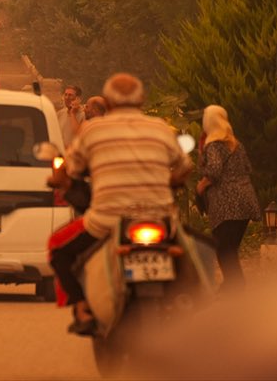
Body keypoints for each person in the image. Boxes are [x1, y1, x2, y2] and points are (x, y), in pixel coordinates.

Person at [48, 72, 192, 334]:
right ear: (141, 100)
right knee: (194, 249)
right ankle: (187, 305)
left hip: (107, 221)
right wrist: (169, 182)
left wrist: (59, 178)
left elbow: (71, 169)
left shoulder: (92, 130)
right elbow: (185, 167)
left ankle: (82, 307)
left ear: (109, 103)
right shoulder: (159, 127)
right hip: (160, 219)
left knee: (59, 252)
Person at [196, 104, 260, 292]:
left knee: (224, 249)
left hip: (226, 203)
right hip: (245, 200)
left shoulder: (214, 144)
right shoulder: (235, 143)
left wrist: (202, 184)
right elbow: (247, 168)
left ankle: (234, 288)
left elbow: (214, 171)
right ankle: (232, 286)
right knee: (230, 249)